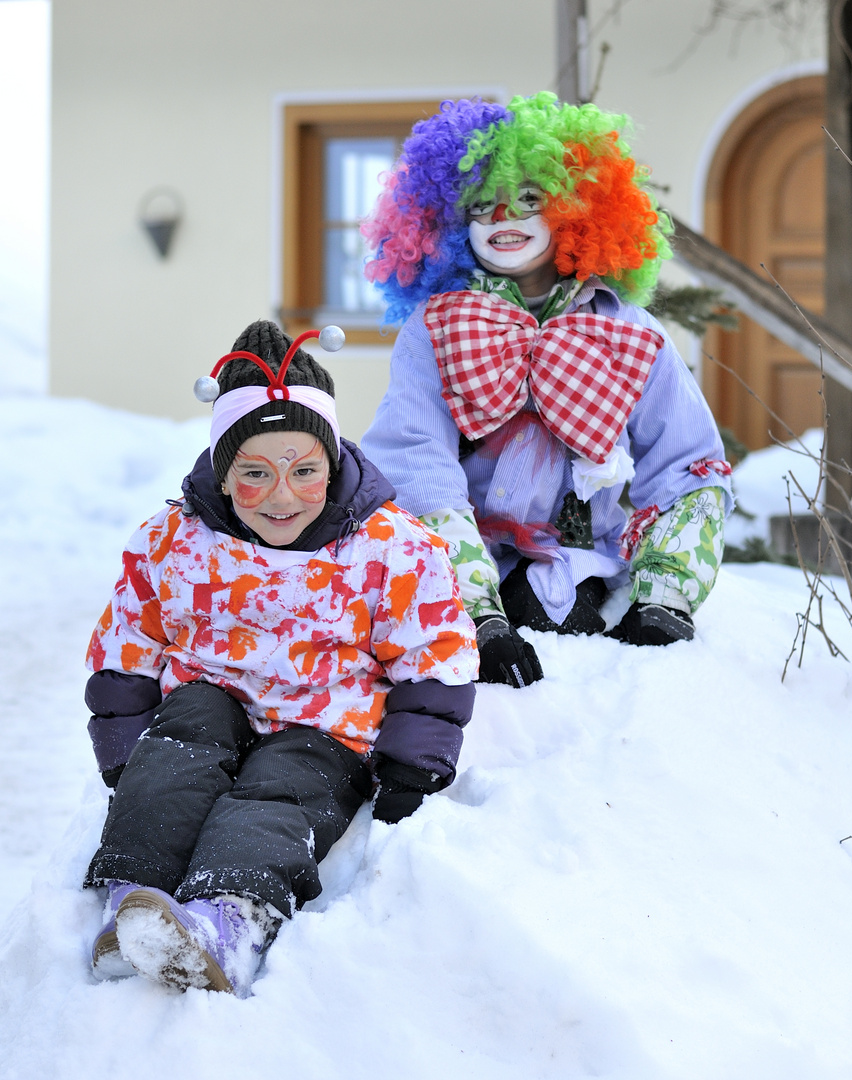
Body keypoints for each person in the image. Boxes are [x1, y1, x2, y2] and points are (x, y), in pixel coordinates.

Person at [83, 319, 478, 996]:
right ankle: (133, 901)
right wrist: (125, 748)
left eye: (304, 471)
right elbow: (128, 641)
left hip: (323, 720)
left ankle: (226, 921)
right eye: (255, 475)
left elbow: (435, 651)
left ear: (331, 460)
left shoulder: (388, 547)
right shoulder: (177, 539)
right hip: (210, 696)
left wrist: (415, 763)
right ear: (222, 470)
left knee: (276, 796)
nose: (282, 495)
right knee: (175, 751)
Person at [360, 92, 734, 688]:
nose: (506, 219)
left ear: (574, 209)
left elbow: (691, 465)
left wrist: (664, 596)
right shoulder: (433, 331)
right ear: (452, 225)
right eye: (484, 207)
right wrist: (474, 609)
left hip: (590, 568)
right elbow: (415, 464)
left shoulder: (631, 335)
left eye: (528, 200)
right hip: (460, 572)